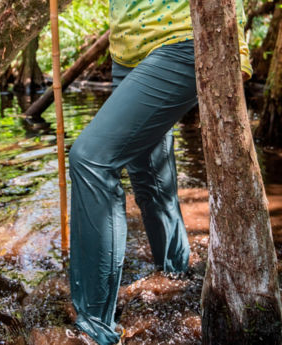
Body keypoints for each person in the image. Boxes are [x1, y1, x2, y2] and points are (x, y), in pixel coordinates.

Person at [67, 1, 252, 344]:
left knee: (91, 159)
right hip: (127, 55)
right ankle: (177, 273)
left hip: (182, 38)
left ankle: (94, 329)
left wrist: (235, 43)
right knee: (149, 179)